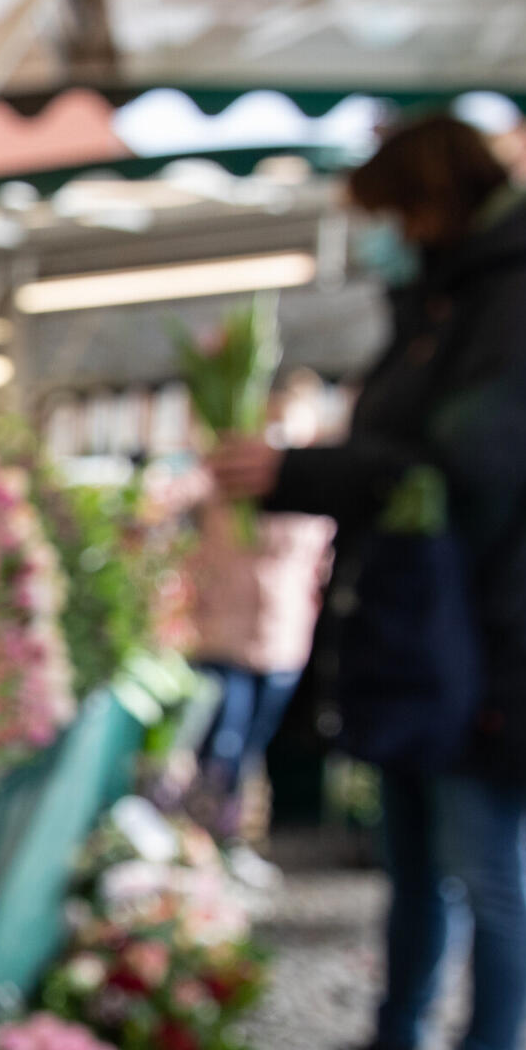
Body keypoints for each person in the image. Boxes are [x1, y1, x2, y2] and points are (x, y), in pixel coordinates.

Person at [208, 114, 526, 1050]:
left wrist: (301, 472)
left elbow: (463, 458)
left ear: (434, 198)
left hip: (494, 637)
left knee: (489, 867)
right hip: (421, 631)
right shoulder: (461, 293)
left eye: (392, 214)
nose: (386, 238)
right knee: (413, 865)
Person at [181, 373, 335, 879]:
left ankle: (229, 843)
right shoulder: (225, 484)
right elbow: (177, 495)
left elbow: (318, 563)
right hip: (220, 637)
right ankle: (203, 846)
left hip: (284, 640)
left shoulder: (313, 495)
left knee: (249, 748)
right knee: (220, 746)